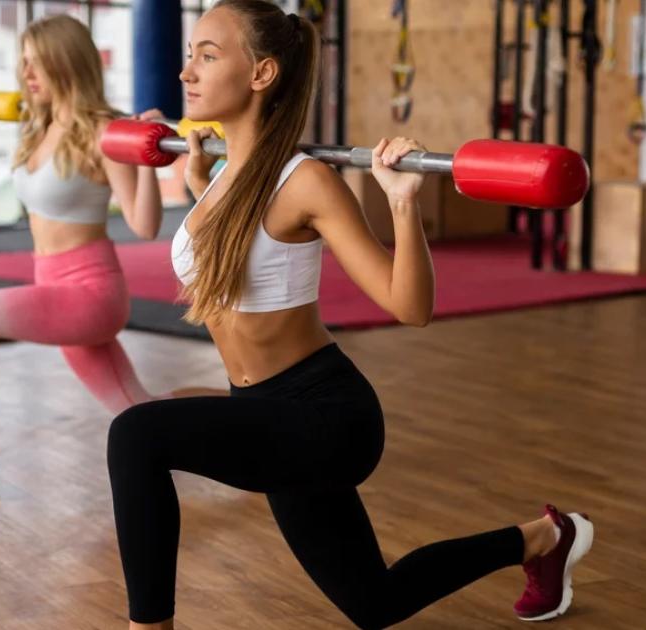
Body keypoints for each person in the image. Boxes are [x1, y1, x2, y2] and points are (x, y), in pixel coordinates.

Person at [104, 2, 594, 627]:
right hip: (263, 414)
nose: (185, 72)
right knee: (374, 603)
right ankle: (544, 539)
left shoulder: (307, 181)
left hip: (324, 418)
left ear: (261, 73)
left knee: (137, 436)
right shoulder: (226, 174)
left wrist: (402, 202)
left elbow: (409, 306)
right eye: (190, 53)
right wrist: (201, 185)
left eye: (207, 54)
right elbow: (242, 251)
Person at [0, 14, 193, 503]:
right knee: (141, 411)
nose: (25, 75)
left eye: (36, 64)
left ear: (65, 66)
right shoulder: (38, 125)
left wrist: (146, 158)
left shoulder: (103, 132)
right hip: (55, 289)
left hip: (88, 294)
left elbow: (144, 224)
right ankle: (251, 417)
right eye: (23, 64)